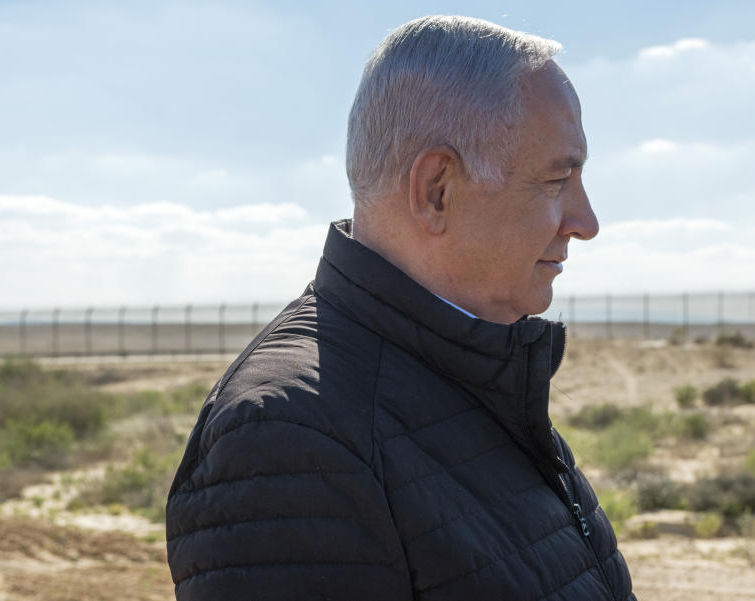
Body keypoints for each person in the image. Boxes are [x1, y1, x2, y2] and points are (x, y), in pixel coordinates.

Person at [166, 15, 636, 601]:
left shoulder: (477, 366)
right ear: (437, 189)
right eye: (556, 181)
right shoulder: (288, 437)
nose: (586, 223)